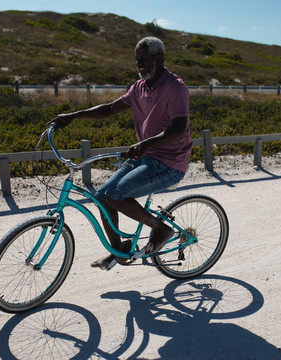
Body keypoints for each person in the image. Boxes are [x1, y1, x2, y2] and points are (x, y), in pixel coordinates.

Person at [49, 36, 193, 268]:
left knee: (116, 194)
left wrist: (144, 144)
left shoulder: (175, 88)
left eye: (144, 59)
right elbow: (108, 109)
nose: (139, 64)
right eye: (137, 60)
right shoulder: (139, 88)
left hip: (169, 163)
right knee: (101, 197)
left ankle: (161, 229)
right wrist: (72, 116)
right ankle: (119, 251)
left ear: (159, 57)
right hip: (145, 158)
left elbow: (178, 130)